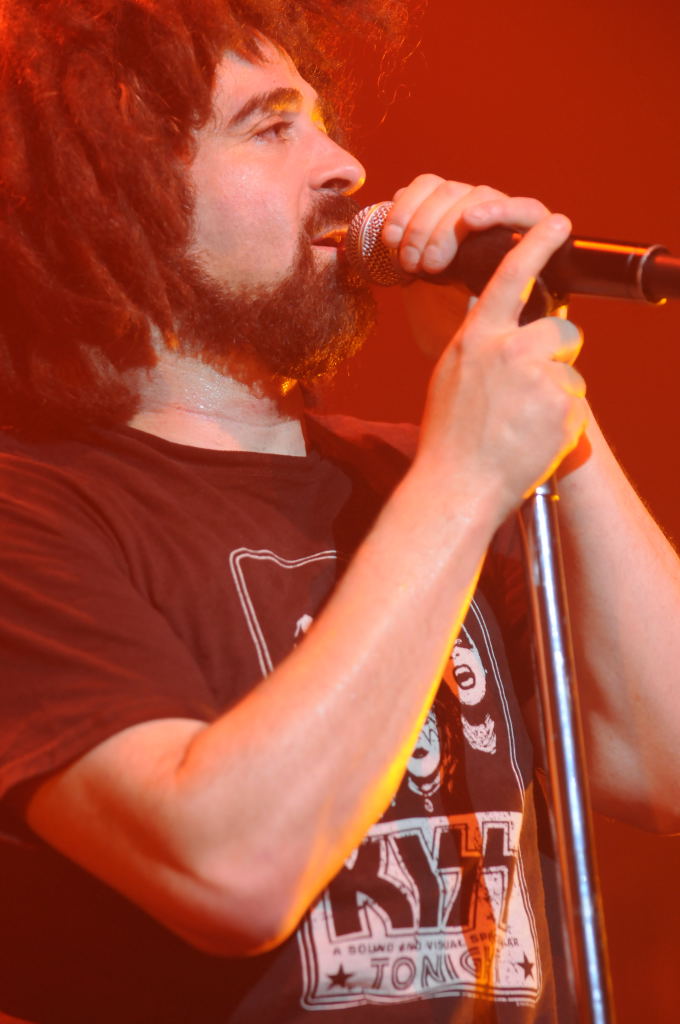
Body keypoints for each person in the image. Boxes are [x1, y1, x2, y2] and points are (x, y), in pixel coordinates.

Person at [0, 2, 678, 1022]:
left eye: (321, 123)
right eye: (272, 128)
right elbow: (228, 870)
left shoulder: (418, 477)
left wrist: (540, 400)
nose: (348, 168)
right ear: (104, 190)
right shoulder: (31, 514)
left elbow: (664, 763)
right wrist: (465, 475)